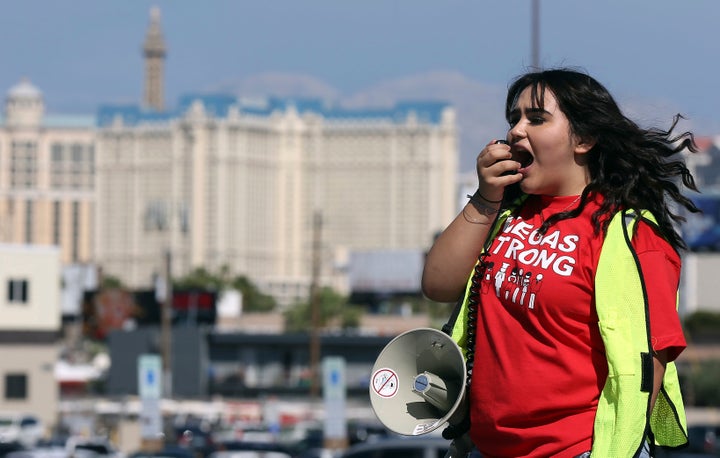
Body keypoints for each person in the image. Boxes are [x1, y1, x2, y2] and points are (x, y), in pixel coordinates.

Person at [422, 68, 699, 457]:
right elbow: (437, 285)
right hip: (489, 448)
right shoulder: (506, 215)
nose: (516, 131)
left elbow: (647, 363)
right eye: (513, 119)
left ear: (584, 139)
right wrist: (485, 198)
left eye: (536, 119)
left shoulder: (630, 235)